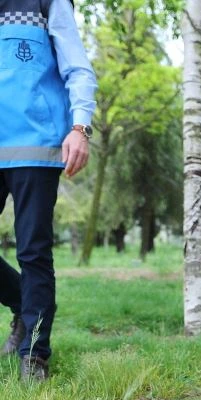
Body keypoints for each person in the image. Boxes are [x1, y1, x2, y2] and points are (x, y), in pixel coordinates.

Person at [0, 0, 97, 380]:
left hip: (35, 147)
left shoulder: (46, 2)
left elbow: (77, 65)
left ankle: (33, 356)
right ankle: (25, 303)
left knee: (33, 251)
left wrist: (80, 127)